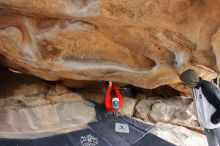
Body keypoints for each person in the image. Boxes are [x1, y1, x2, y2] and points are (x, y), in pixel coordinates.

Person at [180, 69, 220, 146]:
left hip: (217, 124)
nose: (185, 84)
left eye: (185, 82)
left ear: (190, 80)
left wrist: (215, 119)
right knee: (212, 144)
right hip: (207, 124)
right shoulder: (194, 88)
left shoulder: (208, 87)